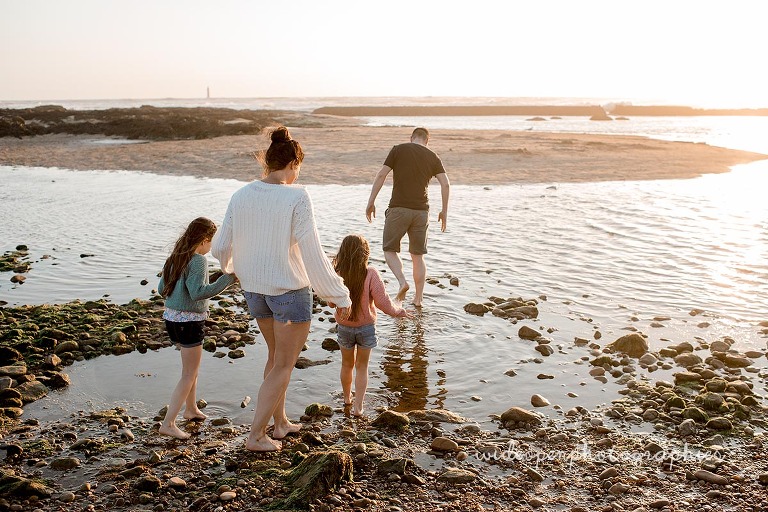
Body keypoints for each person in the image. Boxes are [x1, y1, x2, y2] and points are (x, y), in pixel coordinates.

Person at [211, 127, 351, 452]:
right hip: (289, 293)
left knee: (274, 358)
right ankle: (255, 436)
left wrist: (233, 269)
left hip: (256, 293)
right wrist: (339, 295)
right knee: (285, 364)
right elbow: (313, 253)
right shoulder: (297, 196)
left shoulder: (241, 195)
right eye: (298, 167)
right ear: (292, 164)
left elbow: (219, 246)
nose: (297, 173)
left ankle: (280, 423)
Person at [158, 217, 237, 440]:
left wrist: (179, 297)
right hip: (190, 322)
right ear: (204, 240)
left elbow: (161, 289)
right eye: (211, 243)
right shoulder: (198, 261)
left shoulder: (175, 258)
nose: (211, 248)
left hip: (172, 320)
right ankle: (169, 423)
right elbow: (198, 292)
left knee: (191, 370)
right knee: (189, 373)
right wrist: (228, 279)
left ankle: (190, 409)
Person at [366, 127, 450, 307]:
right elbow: (446, 184)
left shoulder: (398, 149)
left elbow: (382, 174)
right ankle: (418, 299)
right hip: (421, 212)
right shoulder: (433, 156)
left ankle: (402, 282)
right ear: (427, 141)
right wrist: (444, 211)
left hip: (398, 209)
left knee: (389, 249)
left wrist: (371, 201)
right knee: (417, 256)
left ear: (411, 138)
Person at [332, 234, 411, 416]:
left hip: (344, 327)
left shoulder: (337, 274)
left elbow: (330, 302)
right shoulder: (371, 273)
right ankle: (358, 407)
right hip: (366, 328)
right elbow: (383, 303)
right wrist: (398, 311)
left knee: (346, 365)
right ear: (364, 254)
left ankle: (346, 399)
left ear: (342, 253)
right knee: (362, 367)